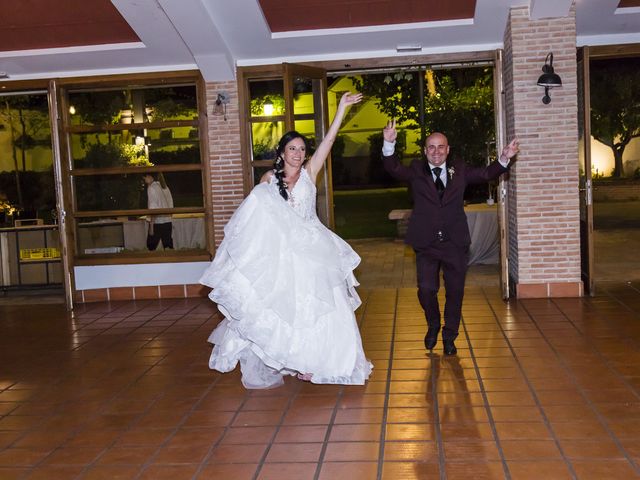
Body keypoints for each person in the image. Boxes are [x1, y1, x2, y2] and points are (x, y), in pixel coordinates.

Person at [200, 92, 373, 389]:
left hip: (314, 251)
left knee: (320, 308)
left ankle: (319, 362)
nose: (297, 153)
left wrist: (341, 110)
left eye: (301, 149)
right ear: (281, 153)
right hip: (283, 255)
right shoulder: (267, 181)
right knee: (286, 310)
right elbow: (255, 217)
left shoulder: (310, 172)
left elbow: (329, 143)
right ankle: (295, 359)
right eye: (291, 148)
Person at [381, 120, 519, 355]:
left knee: (455, 292)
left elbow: (486, 173)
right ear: (425, 151)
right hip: (426, 243)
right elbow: (393, 168)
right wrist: (389, 143)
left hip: (455, 243)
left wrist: (504, 158)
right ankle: (433, 323)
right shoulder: (416, 169)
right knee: (426, 290)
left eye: (441, 147)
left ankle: (449, 337)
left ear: (448, 149)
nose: (436, 152)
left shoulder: (460, 169)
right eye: (431, 147)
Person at [143, 173, 174, 250]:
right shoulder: (164, 186)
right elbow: (170, 203)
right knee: (168, 247)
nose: (144, 181)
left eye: (144, 178)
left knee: (151, 247)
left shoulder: (151, 188)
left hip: (157, 222)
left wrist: (151, 225)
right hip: (167, 220)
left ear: (149, 177)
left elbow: (153, 207)